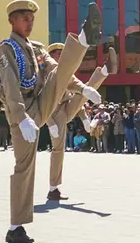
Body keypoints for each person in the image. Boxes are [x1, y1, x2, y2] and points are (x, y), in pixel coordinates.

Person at [0, 0, 102, 243]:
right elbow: (10, 85)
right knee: (24, 166)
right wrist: (21, 117)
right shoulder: (6, 49)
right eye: (25, 19)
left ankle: (83, 38)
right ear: (12, 20)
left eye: (32, 19)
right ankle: (15, 227)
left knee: (58, 72)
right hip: (22, 109)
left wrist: (82, 88)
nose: (30, 23)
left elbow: (57, 70)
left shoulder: (37, 49)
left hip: (41, 100)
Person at [44, 43, 111, 201]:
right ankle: (53, 189)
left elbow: (77, 92)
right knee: (58, 149)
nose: (61, 56)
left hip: (67, 106)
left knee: (85, 90)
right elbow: (41, 100)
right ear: (51, 56)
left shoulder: (67, 73)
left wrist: (84, 118)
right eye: (58, 54)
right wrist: (50, 122)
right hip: (53, 111)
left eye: (63, 53)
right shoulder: (45, 74)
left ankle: (103, 72)